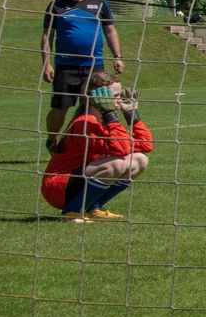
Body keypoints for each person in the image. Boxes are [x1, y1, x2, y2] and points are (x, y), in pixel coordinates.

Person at [40, 75, 152, 224]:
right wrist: (110, 114)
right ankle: (73, 211)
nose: (120, 100)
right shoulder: (85, 123)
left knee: (140, 160)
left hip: (78, 180)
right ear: (98, 97)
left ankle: (93, 208)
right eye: (115, 96)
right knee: (117, 164)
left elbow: (145, 145)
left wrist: (131, 114)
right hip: (58, 186)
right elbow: (122, 148)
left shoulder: (103, 121)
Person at [41, 0, 125, 150]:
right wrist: (46, 64)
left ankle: (93, 145)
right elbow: (47, 36)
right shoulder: (57, 5)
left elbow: (110, 30)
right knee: (60, 107)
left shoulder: (99, 3)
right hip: (66, 66)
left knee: (97, 106)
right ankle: (52, 141)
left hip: (95, 66)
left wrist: (117, 56)